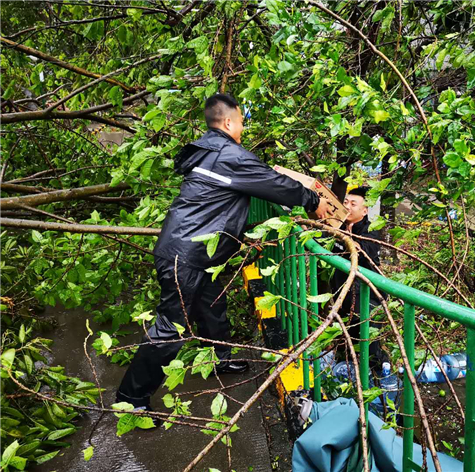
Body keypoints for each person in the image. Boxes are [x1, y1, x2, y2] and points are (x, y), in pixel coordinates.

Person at [116, 94, 332, 412]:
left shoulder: (209, 151)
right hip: (185, 257)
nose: (243, 128)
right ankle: (130, 399)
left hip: (195, 254)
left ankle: (220, 360)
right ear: (229, 122)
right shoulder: (226, 154)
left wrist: (245, 238)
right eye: (242, 121)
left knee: (212, 307)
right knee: (171, 329)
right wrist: (313, 201)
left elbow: (218, 204)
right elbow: (274, 183)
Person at [330, 187, 386, 368]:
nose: (347, 206)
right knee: (347, 341)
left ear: (364, 210)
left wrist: (348, 238)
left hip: (368, 299)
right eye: (345, 202)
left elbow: (363, 251)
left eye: (353, 204)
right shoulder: (336, 226)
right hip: (345, 296)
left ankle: (378, 377)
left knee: (368, 347)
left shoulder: (371, 231)